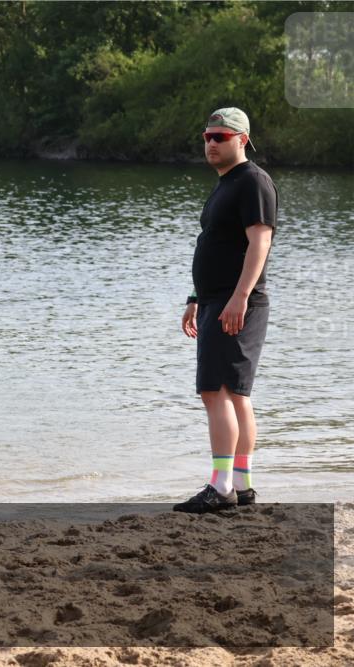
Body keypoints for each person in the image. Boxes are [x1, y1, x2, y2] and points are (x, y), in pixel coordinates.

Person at [174, 107, 277, 514]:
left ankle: (220, 488)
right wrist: (195, 297)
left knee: (214, 391)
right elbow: (218, 243)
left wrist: (238, 297)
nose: (211, 143)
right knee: (234, 393)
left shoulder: (253, 181)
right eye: (207, 136)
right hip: (217, 299)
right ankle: (241, 483)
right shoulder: (227, 184)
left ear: (242, 139)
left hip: (236, 301)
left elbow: (260, 243)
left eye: (221, 136)